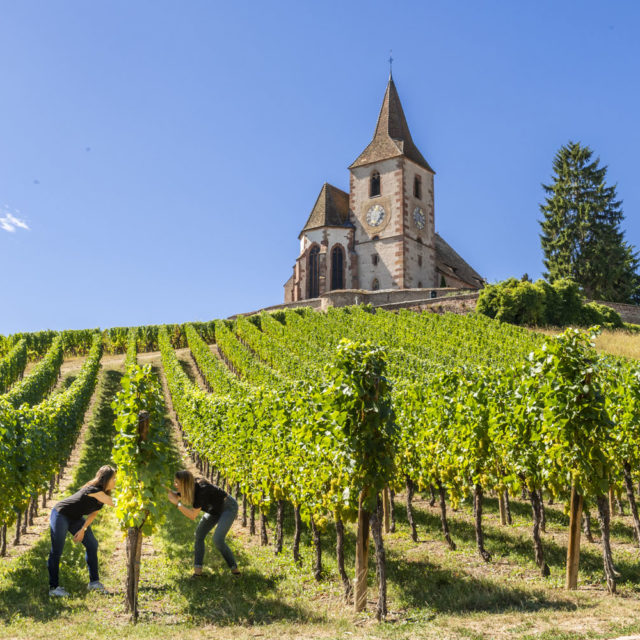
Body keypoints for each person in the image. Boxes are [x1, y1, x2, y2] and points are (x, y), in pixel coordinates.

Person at [47, 465, 116, 597]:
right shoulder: (95, 490)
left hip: (75, 518)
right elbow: (116, 503)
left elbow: (93, 514)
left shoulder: (102, 495)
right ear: (106, 479)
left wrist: (83, 529)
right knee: (57, 550)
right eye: (113, 478)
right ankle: (54, 588)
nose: (115, 481)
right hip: (61, 513)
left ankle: (94, 583)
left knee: (92, 544)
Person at [168, 470, 240, 577]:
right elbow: (183, 494)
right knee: (199, 535)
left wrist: (178, 504)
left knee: (218, 540)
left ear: (184, 483)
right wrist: (174, 494)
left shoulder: (202, 491)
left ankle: (235, 570)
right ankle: (198, 572)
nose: (174, 485)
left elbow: (193, 515)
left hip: (228, 507)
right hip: (214, 511)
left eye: (177, 482)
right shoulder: (191, 487)